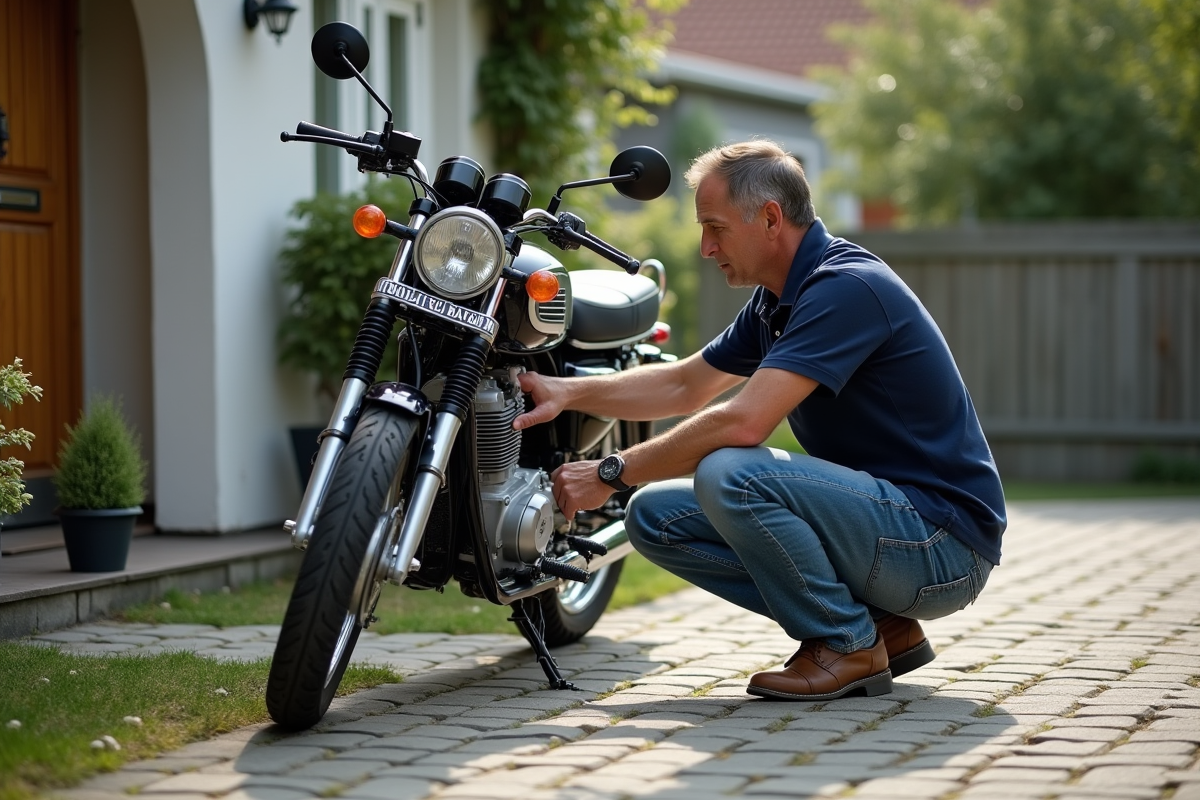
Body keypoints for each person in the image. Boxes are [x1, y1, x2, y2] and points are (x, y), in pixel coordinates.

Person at [513, 140, 1006, 701]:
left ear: (770, 218)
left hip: (941, 544)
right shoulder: (779, 299)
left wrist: (609, 472)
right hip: (889, 531)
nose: (704, 247)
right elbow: (685, 383)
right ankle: (880, 628)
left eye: (715, 227)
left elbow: (743, 424)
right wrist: (568, 392)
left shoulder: (845, 288)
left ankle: (845, 643)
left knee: (732, 473)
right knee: (652, 516)